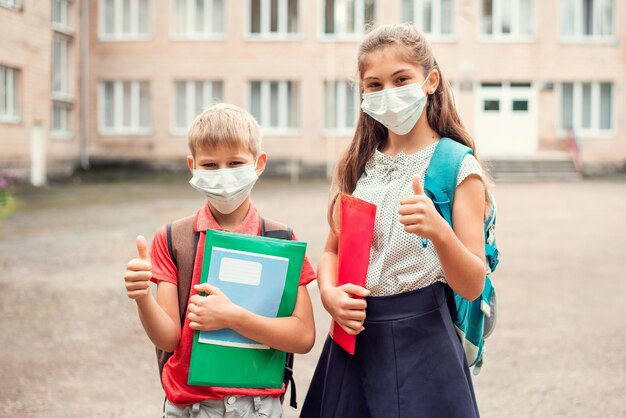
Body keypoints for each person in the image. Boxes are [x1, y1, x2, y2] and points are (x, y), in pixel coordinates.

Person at [301, 23, 489, 418]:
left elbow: (473, 283)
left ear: (430, 81)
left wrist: (439, 231)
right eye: (374, 84)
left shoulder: (458, 167)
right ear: (363, 94)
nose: (388, 93)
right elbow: (330, 251)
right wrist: (331, 294)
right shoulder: (359, 164)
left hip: (425, 340)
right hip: (353, 338)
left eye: (401, 79)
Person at [123, 103, 316, 418]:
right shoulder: (173, 239)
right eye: (210, 165)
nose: (223, 174)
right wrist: (143, 296)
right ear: (192, 166)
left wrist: (232, 317)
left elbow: (303, 336)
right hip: (189, 408)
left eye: (235, 162)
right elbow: (168, 337)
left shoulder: (281, 240)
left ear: (259, 163)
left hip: (259, 408)